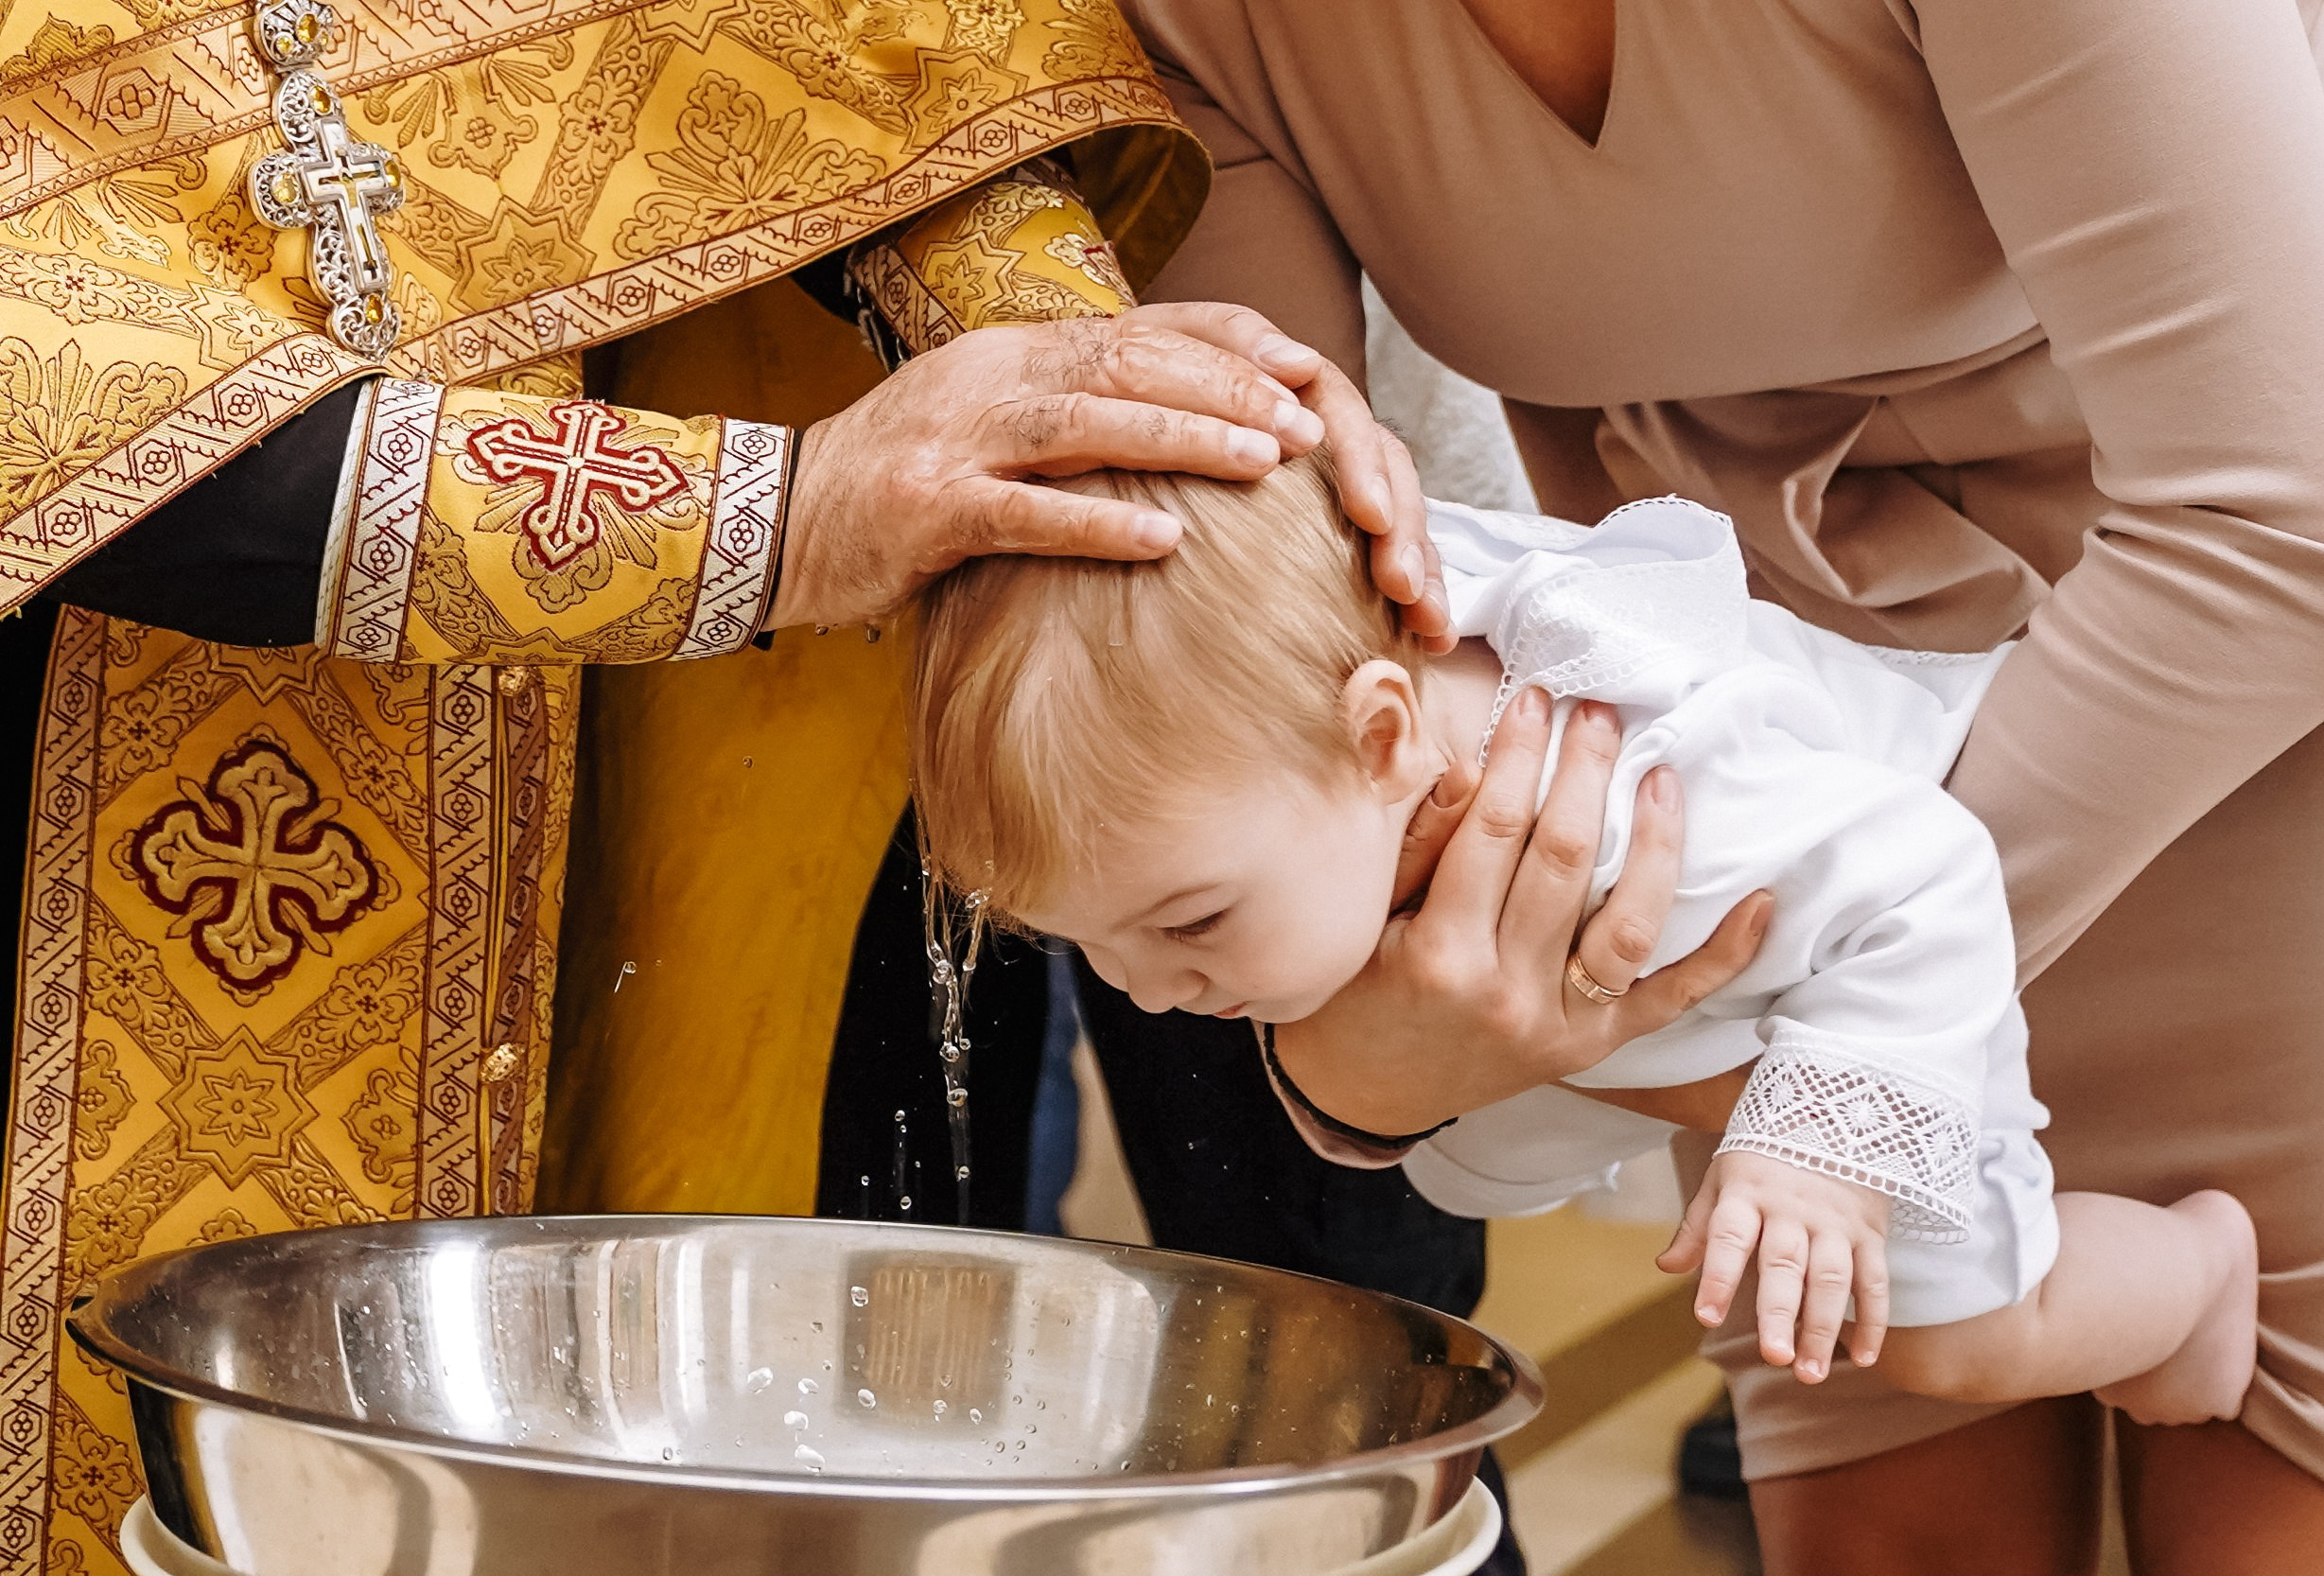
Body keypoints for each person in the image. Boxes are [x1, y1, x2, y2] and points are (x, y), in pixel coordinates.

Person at [0, 5, 1460, 1567]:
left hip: (748, 662)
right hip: (117, 721)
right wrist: (783, 515)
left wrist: (1092, 388)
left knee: (753, 1388)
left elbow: (863, 54)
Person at [1118, 0, 2324, 1568]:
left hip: (2219, 798)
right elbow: (1270, 622)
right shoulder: (1191, 21)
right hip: (1762, 831)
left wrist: (1815, 1002)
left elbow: (2283, 522)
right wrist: (1356, 1063)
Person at [910, 454, 2263, 1428]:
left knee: (1952, 1346)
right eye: (1078, 944)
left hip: (1879, 966)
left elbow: (1929, 870)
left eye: (1188, 922)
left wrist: (1821, 1148)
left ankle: (2192, 1280)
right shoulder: (1300, 723)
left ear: (1384, 736)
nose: (1143, 992)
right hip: (1670, 1006)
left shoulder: (1630, 804)